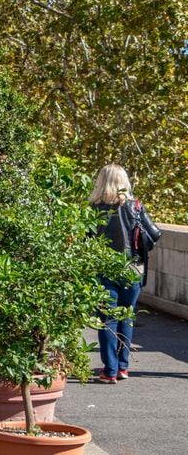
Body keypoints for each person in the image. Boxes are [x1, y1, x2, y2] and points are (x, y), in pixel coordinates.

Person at [89, 163, 162, 383]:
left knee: (107, 319)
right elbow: (155, 233)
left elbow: (84, 241)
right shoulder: (136, 207)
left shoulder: (92, 209)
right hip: (132, 269)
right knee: (126, 316)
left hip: (103, 269)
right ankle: (123, 367)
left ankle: (109, 370)